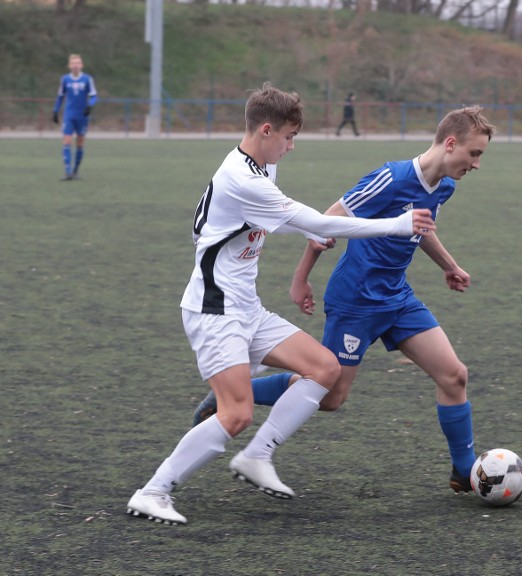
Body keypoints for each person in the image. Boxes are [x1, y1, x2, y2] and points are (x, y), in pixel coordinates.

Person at [126, 83, 435, 526]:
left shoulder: (259, 168)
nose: (291, 147)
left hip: (244, 307)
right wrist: (397, 224)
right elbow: (315, 218)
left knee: (325, 369)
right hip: (215, 311)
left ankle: (257, 456)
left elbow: (276, 221)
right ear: (267, 130)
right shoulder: (242, 177)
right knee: (235, 414)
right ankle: (153, 491)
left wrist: (302, 233)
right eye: (289, 137)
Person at [193, 106, 496, 495]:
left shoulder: (446, 185)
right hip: (355, 300)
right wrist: (301, 278)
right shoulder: (390, 178)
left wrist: (449, 266)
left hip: (397, 297)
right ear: (451, 143)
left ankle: (465, 471)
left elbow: (422, 228)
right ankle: (235, 395)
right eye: (474, 153)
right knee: (331, 396)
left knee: (454, 375)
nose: (477, 164)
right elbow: (325, 224)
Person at [53, 53, 98, 181]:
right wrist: (55, 111)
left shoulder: (87, 79)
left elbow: (94, 95)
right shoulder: (65, 79)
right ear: (69, 66)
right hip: (69, 114)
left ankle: (75, 171)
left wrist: (90, 105)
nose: (75, 66)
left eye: (78, 63)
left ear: (82, 65)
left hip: (82, 116)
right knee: (67, 140)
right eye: (73, 63)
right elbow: (60, 96)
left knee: (80, 142)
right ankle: (67, 172)